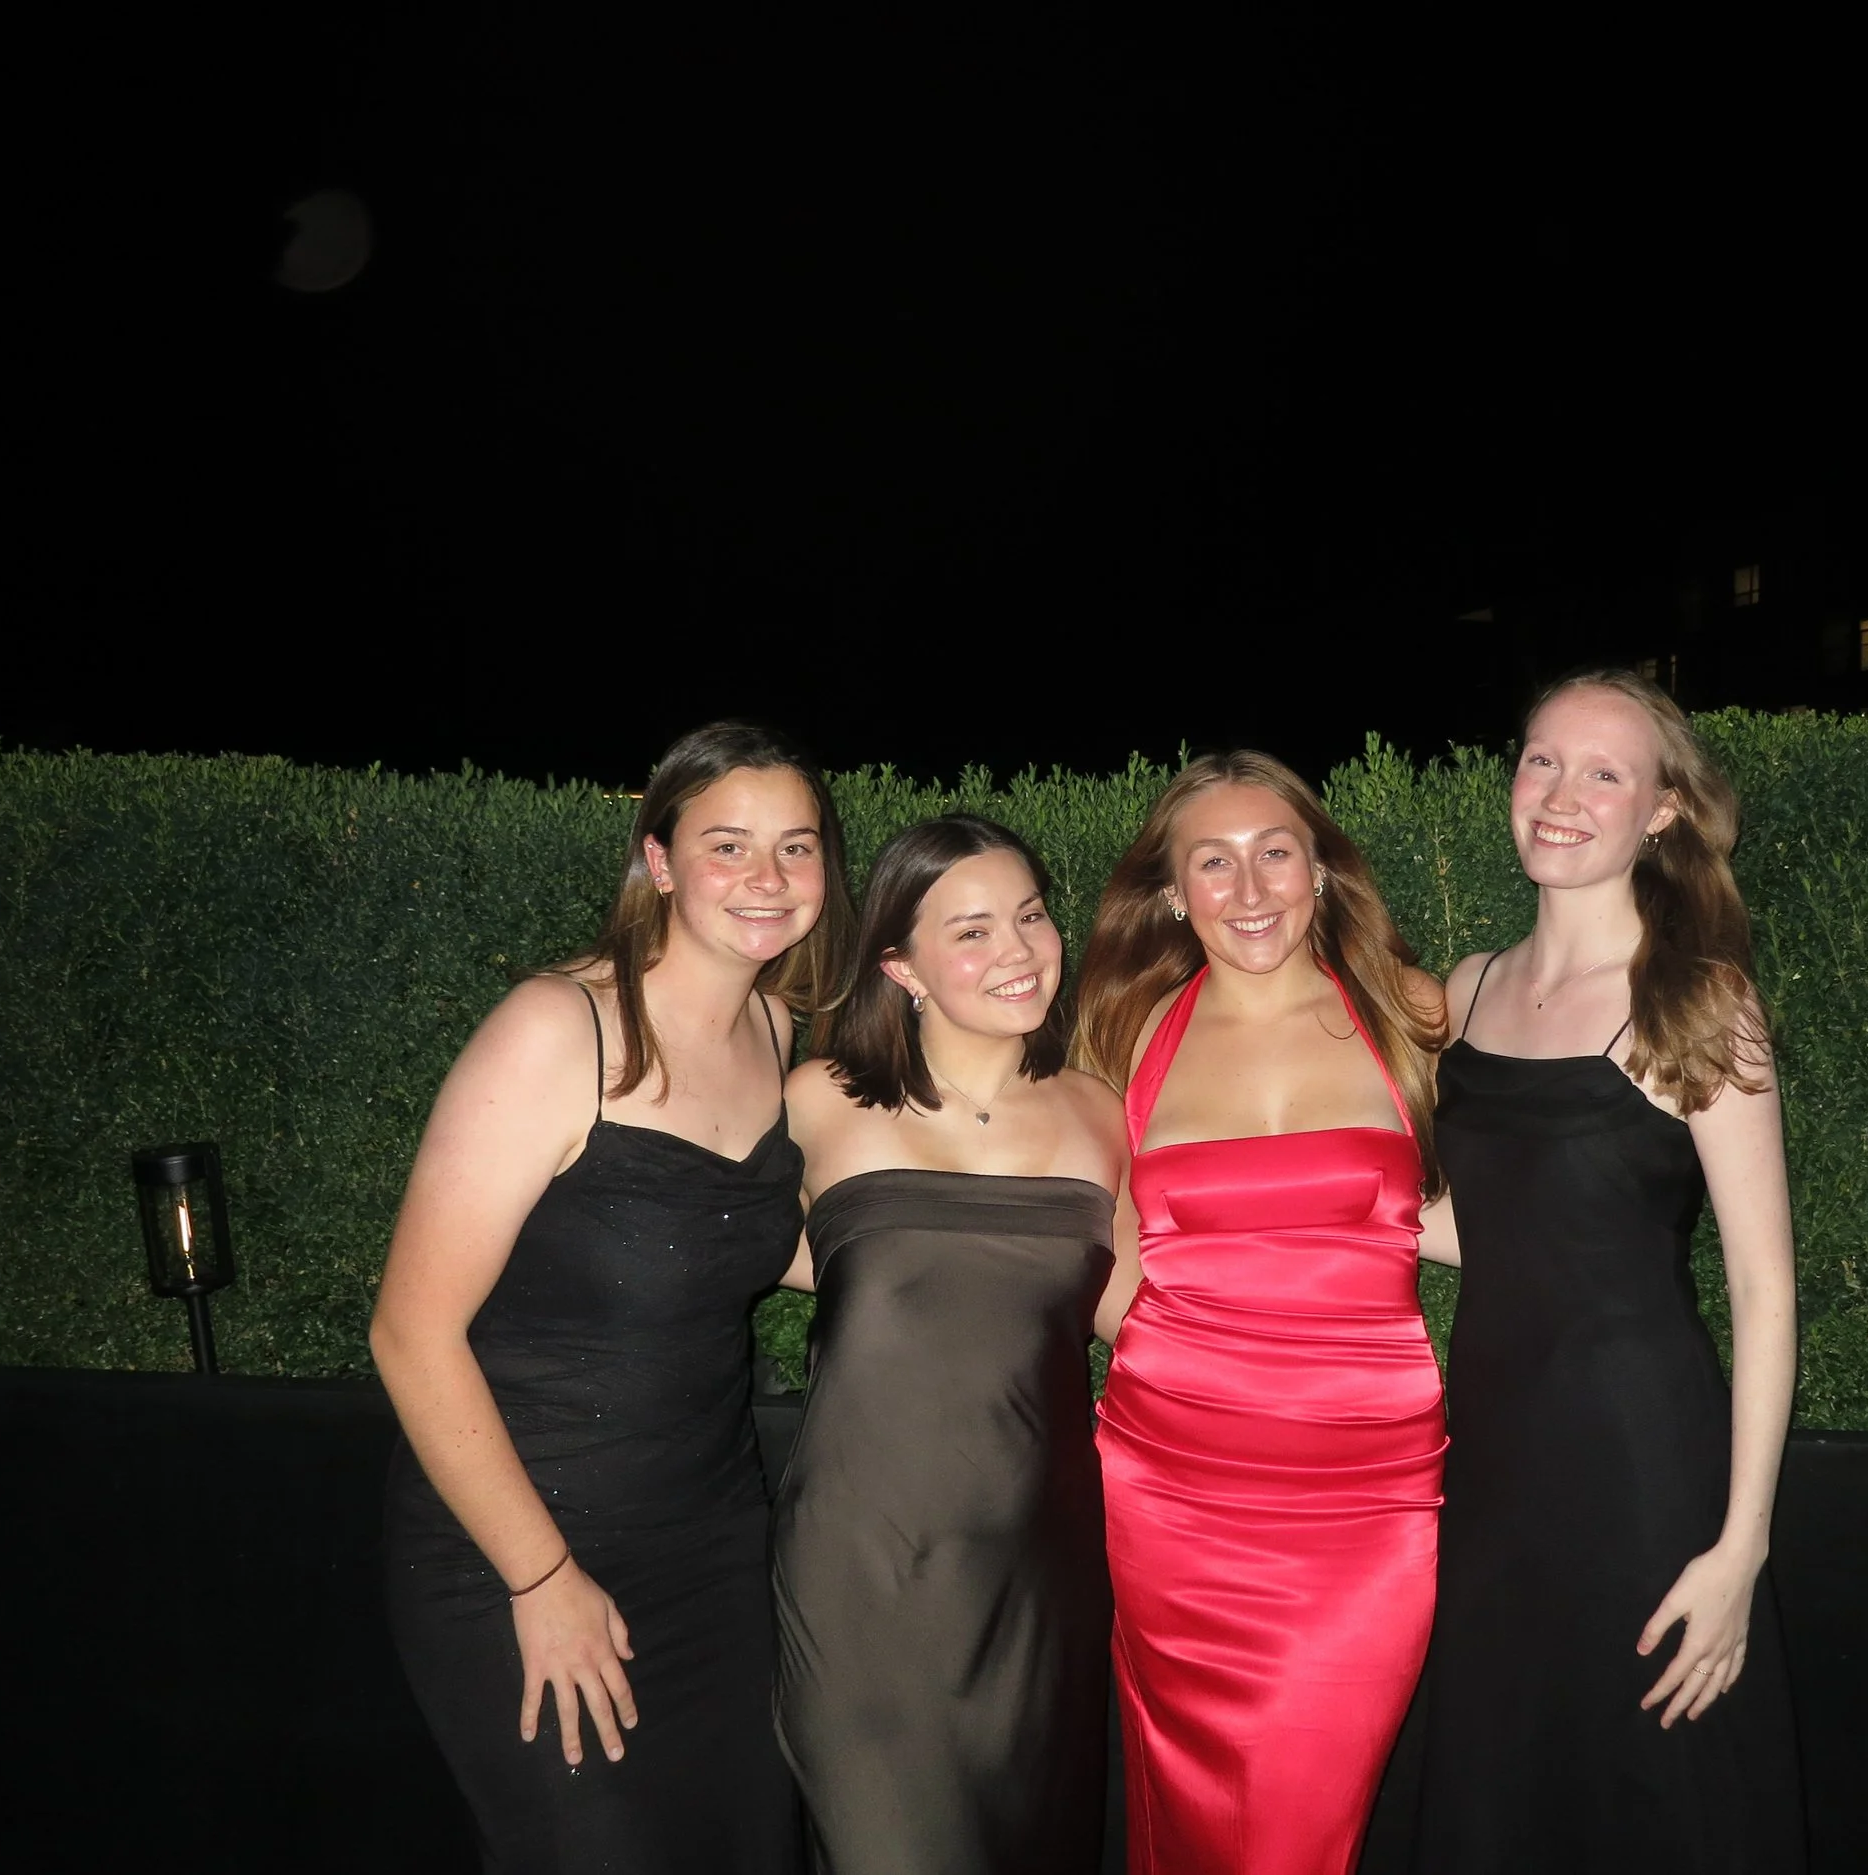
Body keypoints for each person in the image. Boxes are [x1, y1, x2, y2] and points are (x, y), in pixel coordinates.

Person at [373, 722, 852, 1875]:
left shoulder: (779, 1031)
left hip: (713, 1548)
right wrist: (541, 1579)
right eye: (728, 845)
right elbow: (409, 1331)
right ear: (659, 860)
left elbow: (769, 1242)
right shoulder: (558, 1031)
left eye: (795, 848)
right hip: (517, 1546)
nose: (767, 879)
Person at [1409, 669, 1805, 1871]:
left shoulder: (1698, 1004)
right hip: (1487, 1463)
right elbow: (1490, 1227)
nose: (1561, 795)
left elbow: (1764, 1289)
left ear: (1663, 811)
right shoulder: (1467, 989)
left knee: (1656, 1791)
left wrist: (1740, 1550)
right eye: (1540, 761)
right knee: (1502, 1775)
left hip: (1641, 1466)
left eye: (1603, 773)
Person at [1073, 751, 1450, 1875]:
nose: (1249, 889)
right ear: (1169, 892)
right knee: (1186, 1810)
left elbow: (1498, 1209)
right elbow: (1089, 1259)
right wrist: (1214, 1350)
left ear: (1321, 873)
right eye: (1213, 862)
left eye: (1275, 853)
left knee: (1299, 1822)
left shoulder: (1410, 1012)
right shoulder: (1121, 1036)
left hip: (1368, 1499)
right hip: (1172, 1493)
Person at [773, 815, 1127, 1875]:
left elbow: (1155, 1318)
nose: (1018, 952)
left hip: (1041, 1575)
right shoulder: (815, 1102)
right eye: (971, 931)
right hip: (862, 1576)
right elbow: (696, 1254)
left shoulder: (1102, 1112)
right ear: (900, 964)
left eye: (1029, 917)